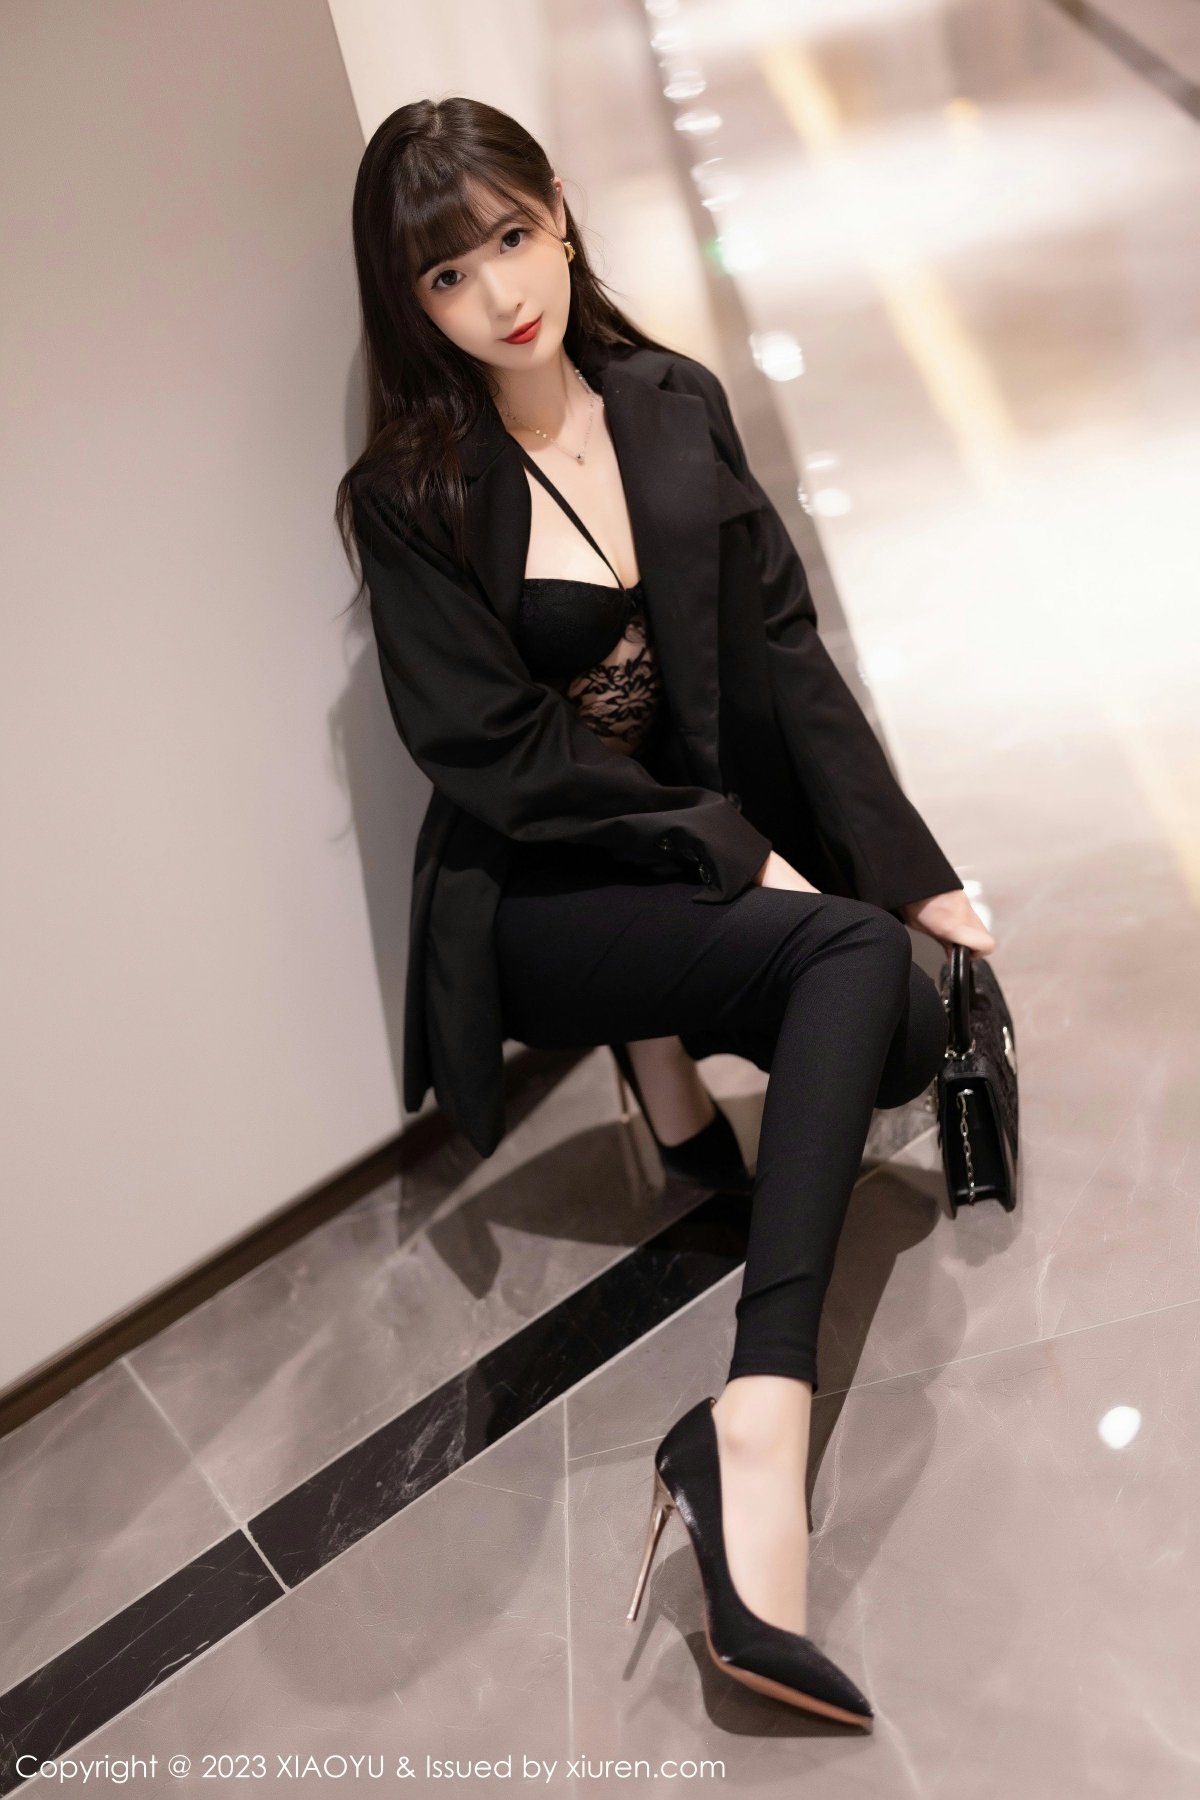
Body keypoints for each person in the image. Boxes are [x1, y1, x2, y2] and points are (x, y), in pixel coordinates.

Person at [336, 96, 997, 1726]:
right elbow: (495, 754)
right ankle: (755, 1427)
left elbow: (784, 649)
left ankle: (676, 1068)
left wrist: (906, 860)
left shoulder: (670, 399)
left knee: (901, 1024)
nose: (500, 293)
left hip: (689, 855)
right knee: (845, 960)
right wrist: (731, 850)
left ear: (561, 210)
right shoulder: (410, 493)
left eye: (511, 236)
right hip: (546, 889)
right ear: (410, 305)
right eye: (447, 276)